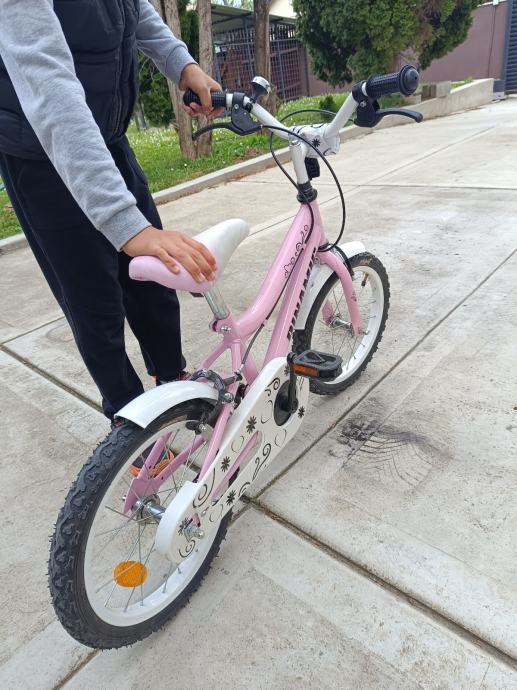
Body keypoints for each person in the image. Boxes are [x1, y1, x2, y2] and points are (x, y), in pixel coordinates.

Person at [0, 0, 220, 421]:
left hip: (107, 136)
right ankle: (132, 422)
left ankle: (172, 384)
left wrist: (182, 65)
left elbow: (134, 9)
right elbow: (49, 87)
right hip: (40, 154)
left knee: (155, 280)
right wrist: (126, 226)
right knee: (95, 305)